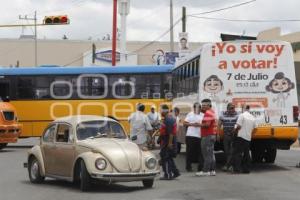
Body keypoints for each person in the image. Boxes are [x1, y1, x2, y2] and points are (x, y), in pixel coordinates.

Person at [232, 105, 256, 174]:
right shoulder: (252, 117)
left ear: (244, 109)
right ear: (249, 109)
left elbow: (238, 126)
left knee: (238, 153)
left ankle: (237, 169)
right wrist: (250, 134)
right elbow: (255, 128)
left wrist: (234, 131)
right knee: (246, 153)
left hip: (240, 137)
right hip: (248, 138)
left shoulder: (242, 115)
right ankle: (246, 169)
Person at [196, 99, 217, 176]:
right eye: (202, 105)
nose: (203, 107)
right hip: (211, 135)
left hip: (207, 136)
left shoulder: (208, 113)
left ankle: (205, 171)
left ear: (209, 105)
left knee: (206, 154)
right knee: (211, 154)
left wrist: (198, 124)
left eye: (205, 105)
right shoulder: (212, 112)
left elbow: (207, 125)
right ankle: (212, 170)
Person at [159, 104, 180, 180]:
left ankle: (167, 174)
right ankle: (175, 172)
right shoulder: (167, 118)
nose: (160, 112)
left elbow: (171, 133)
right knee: (169, 157)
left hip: (168, 142)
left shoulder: (169, 119)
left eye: (160, 110)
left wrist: (170, 143)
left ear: (164, 111)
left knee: (166, 158)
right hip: (166, 141)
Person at [183, 102, 204, 172]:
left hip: (199, 136)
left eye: (199, 107)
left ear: (200, 108)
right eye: (196, 107)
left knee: (200, 152)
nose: (197, 109)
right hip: (190, 135)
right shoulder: (190, 114)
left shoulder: (203, 115)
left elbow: (205, 124)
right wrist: (192, 124)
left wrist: (199, 124)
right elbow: (184, 123)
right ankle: (188, 167)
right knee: (189, 152)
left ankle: (200, 167)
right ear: (194, 108)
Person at [218, 103, 238, 171]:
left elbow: (238, 124)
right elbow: (219, 125)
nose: (233, 109)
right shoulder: (223, 114)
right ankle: (230, 165)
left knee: (232, 151)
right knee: (227, 151)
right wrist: (217, 134)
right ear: (227, 109)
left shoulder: (237, 114)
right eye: (231, 108)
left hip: (234, 135)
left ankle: (228, 165)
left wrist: (235, 130)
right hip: (226, 135)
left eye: (233, 108)